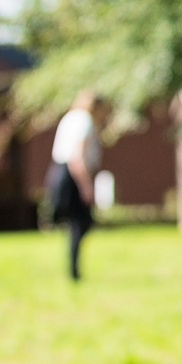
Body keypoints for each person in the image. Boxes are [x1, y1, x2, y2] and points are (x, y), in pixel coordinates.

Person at [47, 91, 109, 281]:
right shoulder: (84, 120)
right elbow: (77, 157)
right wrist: (86, 186)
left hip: (61, 172)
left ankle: (73, 269)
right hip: (73, 175)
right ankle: (74, 271)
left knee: (77, 224)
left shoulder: (71, 117)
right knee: (79, 222)